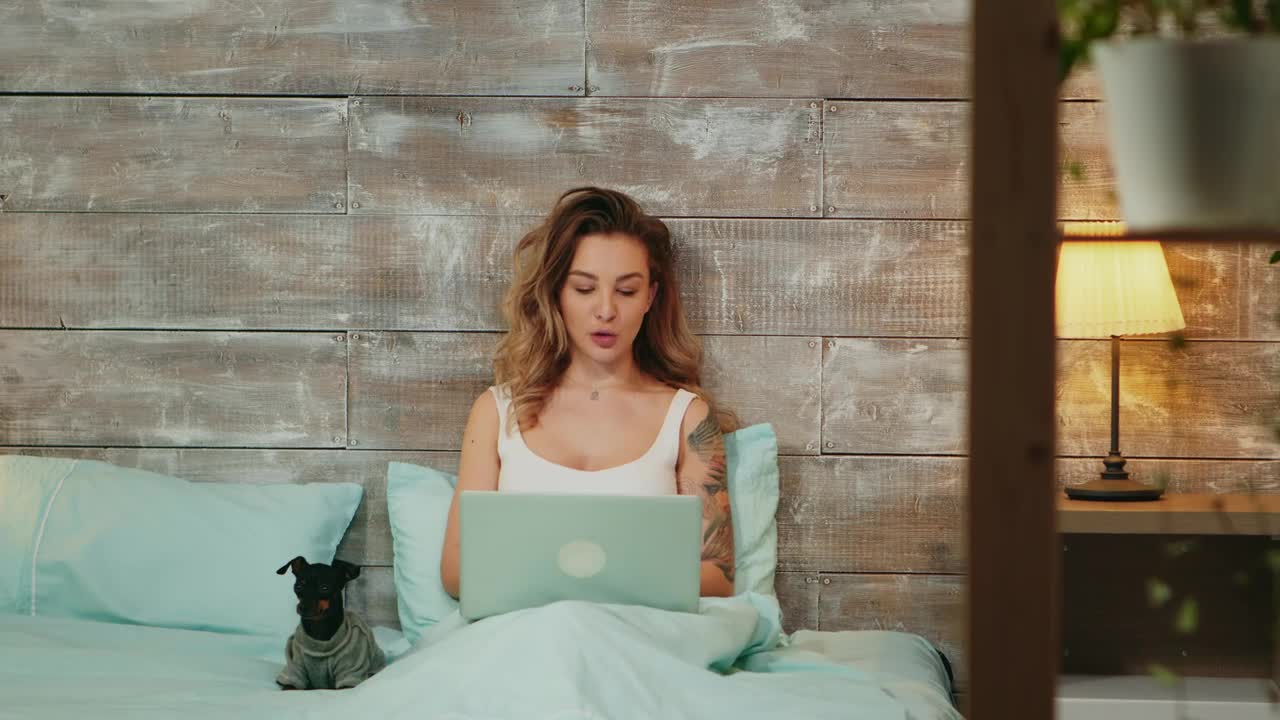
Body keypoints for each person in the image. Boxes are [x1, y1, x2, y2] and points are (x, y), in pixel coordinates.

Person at [440, 186, 739, 600]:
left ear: (650, 297)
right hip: (525, 638)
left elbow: (718, 577)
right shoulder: (495, 411)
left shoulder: (688, 417)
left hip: (637, 640)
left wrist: (583, 586)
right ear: (556, 294)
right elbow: (456, 570)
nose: (605, 310)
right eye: (584, 289)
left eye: (627, 291)